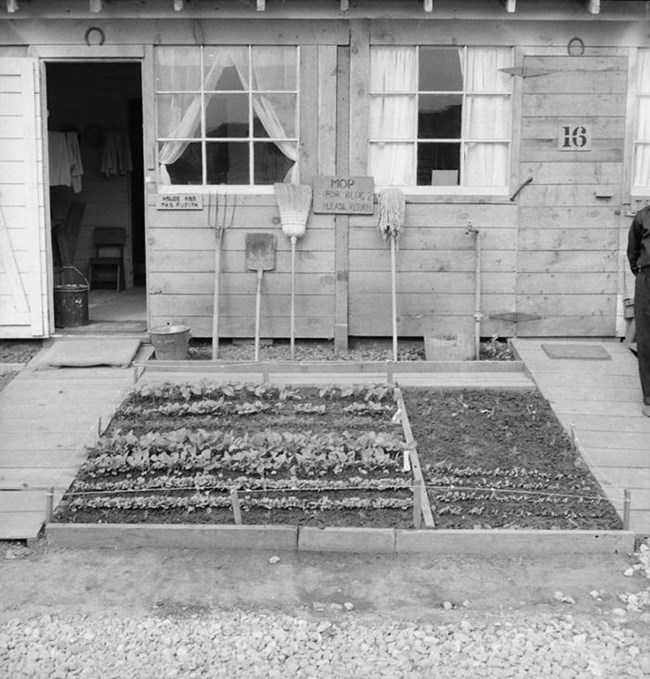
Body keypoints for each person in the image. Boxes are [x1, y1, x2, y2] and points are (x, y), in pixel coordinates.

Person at [627, 207, 650, 417]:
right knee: (646, 339)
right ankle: (649, 398)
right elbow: (633, 253)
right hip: (647, 281)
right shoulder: (642, 217)